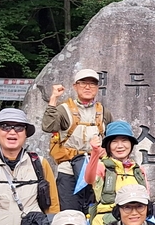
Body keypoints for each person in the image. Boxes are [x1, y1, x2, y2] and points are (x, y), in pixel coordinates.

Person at [41, 69, 112, 212]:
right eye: (83, 83)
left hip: (95, 171)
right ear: (75, 86)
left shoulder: (103, 112)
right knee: (70, 216)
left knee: (97, 214)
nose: (88, 87)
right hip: (69, 171)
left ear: (97, 88)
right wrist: (54, 98)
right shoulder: (64, 109)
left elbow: (112, 138)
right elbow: (48, 126)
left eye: (92, 84)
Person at [84, 120, 148, 225]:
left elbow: (146, 198)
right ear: (108, 145)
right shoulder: (102, 166)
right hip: (107, 224)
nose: (120, 146)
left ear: (131, 144)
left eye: (124, 141)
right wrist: (95, 153)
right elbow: (89, 179)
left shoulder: (138, 170)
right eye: (114, 142)